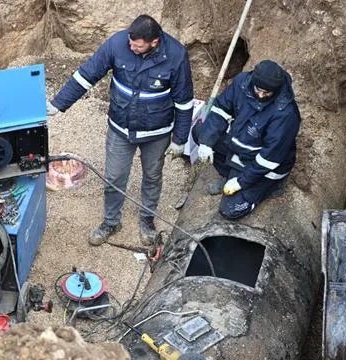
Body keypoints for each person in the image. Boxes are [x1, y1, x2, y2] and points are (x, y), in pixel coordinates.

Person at [47, 14, 194, 246]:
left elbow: (184, 101)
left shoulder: (176, 56)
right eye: (130, 41)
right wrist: (58, 104)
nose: (131, 46)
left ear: (154, 42)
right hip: (120, 128)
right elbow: (86, 75)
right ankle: (111, 221)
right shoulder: (117, 44)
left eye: (137, 45)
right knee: (114, 177)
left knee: (153, 176)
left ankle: (147, 219)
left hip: (156, 132)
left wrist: (180, 139)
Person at [192, 60, 301, 220]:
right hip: (243, 147)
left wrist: (241, 182)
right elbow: (220, 110)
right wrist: (206, 142)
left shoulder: (285, 113)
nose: (261, 95)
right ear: (253, 81)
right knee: (201, 132)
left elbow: (268, 159)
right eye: (259, 90)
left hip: (266, 165)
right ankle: (229, 175)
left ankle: (266, 188)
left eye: (267, 93)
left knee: (230, 210)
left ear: (276, 90)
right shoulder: (242, 83)